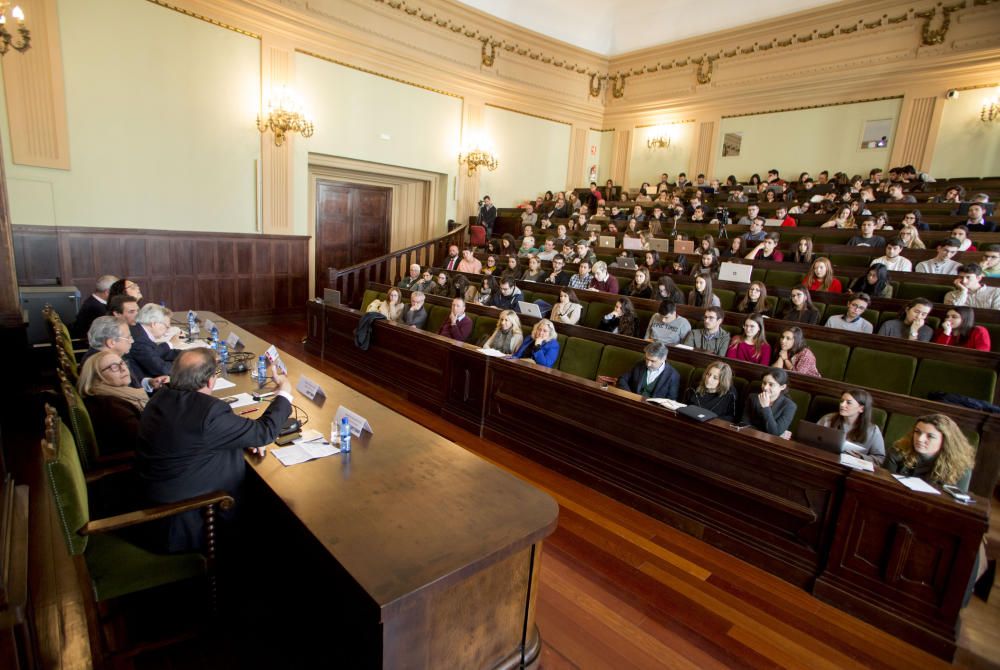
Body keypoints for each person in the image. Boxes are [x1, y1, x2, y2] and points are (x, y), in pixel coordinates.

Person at [137, 348, 293, 552]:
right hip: (186, 520)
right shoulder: (208, 412)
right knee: (273, 509)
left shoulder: (161, 396)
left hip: (158, 501)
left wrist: (240, 435)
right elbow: (264, 432)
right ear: (211, 381)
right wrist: (284, 393)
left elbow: (193, 435)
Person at [77, 350, 149, 456]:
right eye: (114, 367)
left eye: (122, 363)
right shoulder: (110, 406)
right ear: (97, 378)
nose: (123, 369)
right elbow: (145, 440)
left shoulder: (115, 395)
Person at [883, 414, 975, 491]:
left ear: (946, 441)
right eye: (917, 432)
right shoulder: (898, 451)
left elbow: (955, 505)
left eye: (930, 436)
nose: (920, 439)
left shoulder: (960, 468)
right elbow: (884, 487)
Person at [817, 389, 885, 464]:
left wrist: (862, 457)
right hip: (824, 461)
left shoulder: (873, 430)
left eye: (848, 403)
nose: (842, 405)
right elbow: (812, 439)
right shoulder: (827, 419)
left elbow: (880, 459)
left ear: (861, 408)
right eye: (842, 401)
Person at [129, 304, 181, 378]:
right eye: (166, 327)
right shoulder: (140, 341)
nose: (167, 331)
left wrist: (186, 354)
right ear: (153, 323)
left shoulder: (139, 331)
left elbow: (156, 353)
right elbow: (162, 369)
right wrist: (185, 363)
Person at [743, 370, 796, 438]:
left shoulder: (790, 406)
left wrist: (766, 407)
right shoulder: (752, 398)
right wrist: (777, 433)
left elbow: (774, 433)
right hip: (749, 437)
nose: (765, 388)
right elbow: (744, 424)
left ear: (782, 387)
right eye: (764, 383)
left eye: (771, 384)